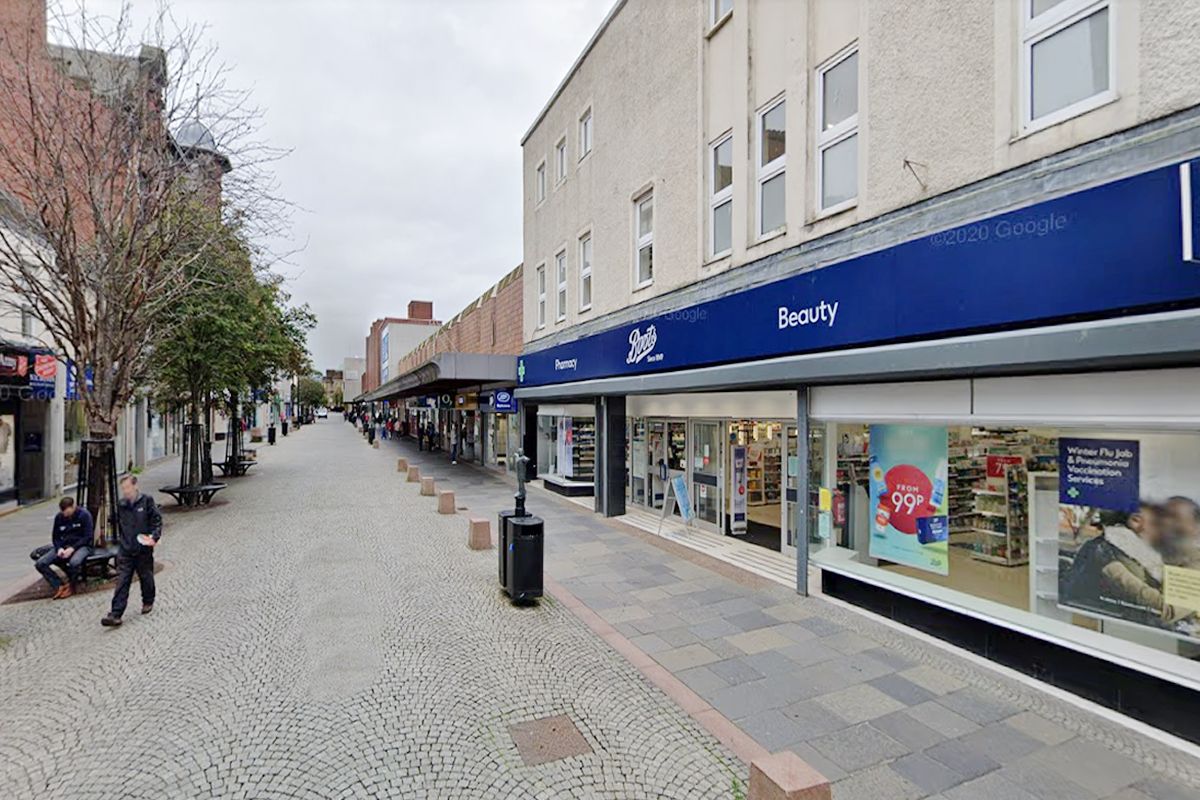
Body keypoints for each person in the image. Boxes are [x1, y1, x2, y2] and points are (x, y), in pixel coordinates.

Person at [1063, 504, 1190, 629]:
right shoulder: (1111, 546)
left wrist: (1113, 568)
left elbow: (1167, 609)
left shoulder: (1177, 555)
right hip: (1112, 622)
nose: (1145, 526)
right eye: (1136, 519)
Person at [101, 476, 163, 627]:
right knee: (122, 580)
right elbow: (116, 524)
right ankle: (115, 613)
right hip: (126, 549)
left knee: (146, 576)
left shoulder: (147, 500)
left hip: (143, 548)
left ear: (135, 486)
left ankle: (148, 600)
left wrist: (153, 537)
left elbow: (156, 520)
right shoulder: (121, 505)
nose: (126, 492)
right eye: (123, 489)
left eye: (127, 488)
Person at [34, 497, 94, 599]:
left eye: (67, 512)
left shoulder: (84, 515)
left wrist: (73, 548)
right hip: (64, 546)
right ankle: (59, 586)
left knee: (74, 562)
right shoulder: (59, 517)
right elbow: (56, 537)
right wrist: (59, 548)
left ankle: (72, 586)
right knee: (41, 563)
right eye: (63, 512)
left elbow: (87, 537)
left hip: (81, 546)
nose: (65, 515)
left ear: (73, 507)